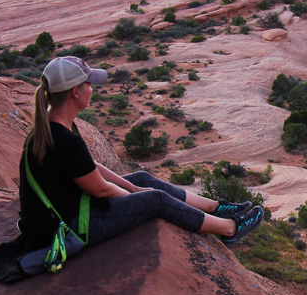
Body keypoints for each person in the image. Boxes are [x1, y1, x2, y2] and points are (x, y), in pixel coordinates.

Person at [17, 56, 263, 274]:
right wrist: (135, 198)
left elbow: (87, 167)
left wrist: (133, 188)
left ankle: (215, 208)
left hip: (65, 212)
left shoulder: (55, 126)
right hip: (69, 227)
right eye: (89, 84)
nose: (93, 89)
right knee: (154, 199)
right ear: (75, 92)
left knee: (142, 179)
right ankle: (229, 229)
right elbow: (100, 189)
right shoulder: (63, 139)